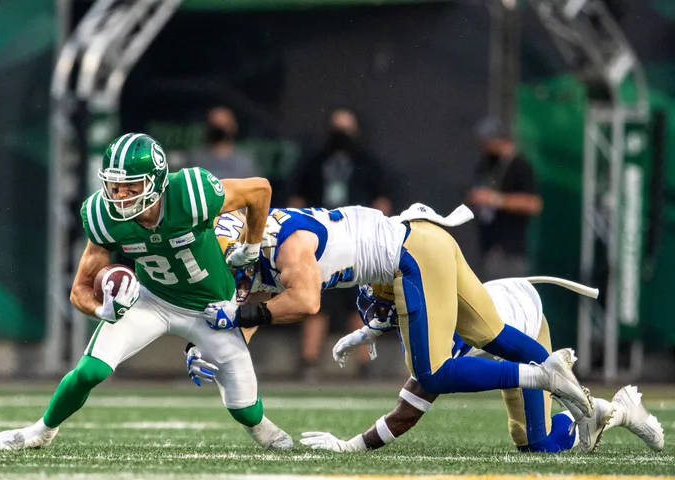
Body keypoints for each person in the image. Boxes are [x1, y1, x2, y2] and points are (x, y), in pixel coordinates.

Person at [0, 133, 292, 451]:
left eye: (132, 186)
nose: (121, 195)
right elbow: (80, 288)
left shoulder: (190, 193)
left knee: (244, 409)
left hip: (212, 306)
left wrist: (251, 245)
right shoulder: (103, 215)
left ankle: (261, 426)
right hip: (153, 300)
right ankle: (41, 431)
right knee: (90, 371)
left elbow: (260, 189)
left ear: (157, 181)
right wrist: (100, 311)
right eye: (114, 186)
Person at [204, 204, 594, 420]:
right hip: (422, 239)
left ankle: (545, 376)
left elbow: (305, 303)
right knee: (491, 334)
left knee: (433, 373)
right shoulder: (263, 250)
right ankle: (592, 406)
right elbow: (243, 310)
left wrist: (241, 318)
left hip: (411, 254)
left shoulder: (289, 247)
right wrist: (206, 352)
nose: (235, 273)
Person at [303, 277, 664, 454]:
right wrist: (365, 333)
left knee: (537, 444)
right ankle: (593, 415)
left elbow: (406, 413)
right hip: (499, 314)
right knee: (523, 436)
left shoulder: (441, 334)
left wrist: (351, 446)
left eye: (384, 308)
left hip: (524, 327)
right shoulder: (420, 297)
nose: (379, 315)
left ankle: (616, 410)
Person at [288, 108, 393, 380]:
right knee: (316, 303)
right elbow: (297, 203)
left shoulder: (368, 164)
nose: (341, 135)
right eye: (337, 128)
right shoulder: (314, 163)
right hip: (320, 243)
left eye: (346, 128)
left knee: (359, 303)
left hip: (357, 243)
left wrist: (378, 236)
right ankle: (309, 363)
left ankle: (364, 365)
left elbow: (381, 204)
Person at [466, 117, 543, 281]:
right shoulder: (486, 165)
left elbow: (533, 204)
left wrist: (496, 200)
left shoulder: (520, 166)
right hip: (489, 245)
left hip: (511, 249)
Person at [189, 106, 260, 179]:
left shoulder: (244, 163)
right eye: (215, 126)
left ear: (233, 127)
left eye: (224, 126)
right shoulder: (195, 161)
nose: (220, 131)